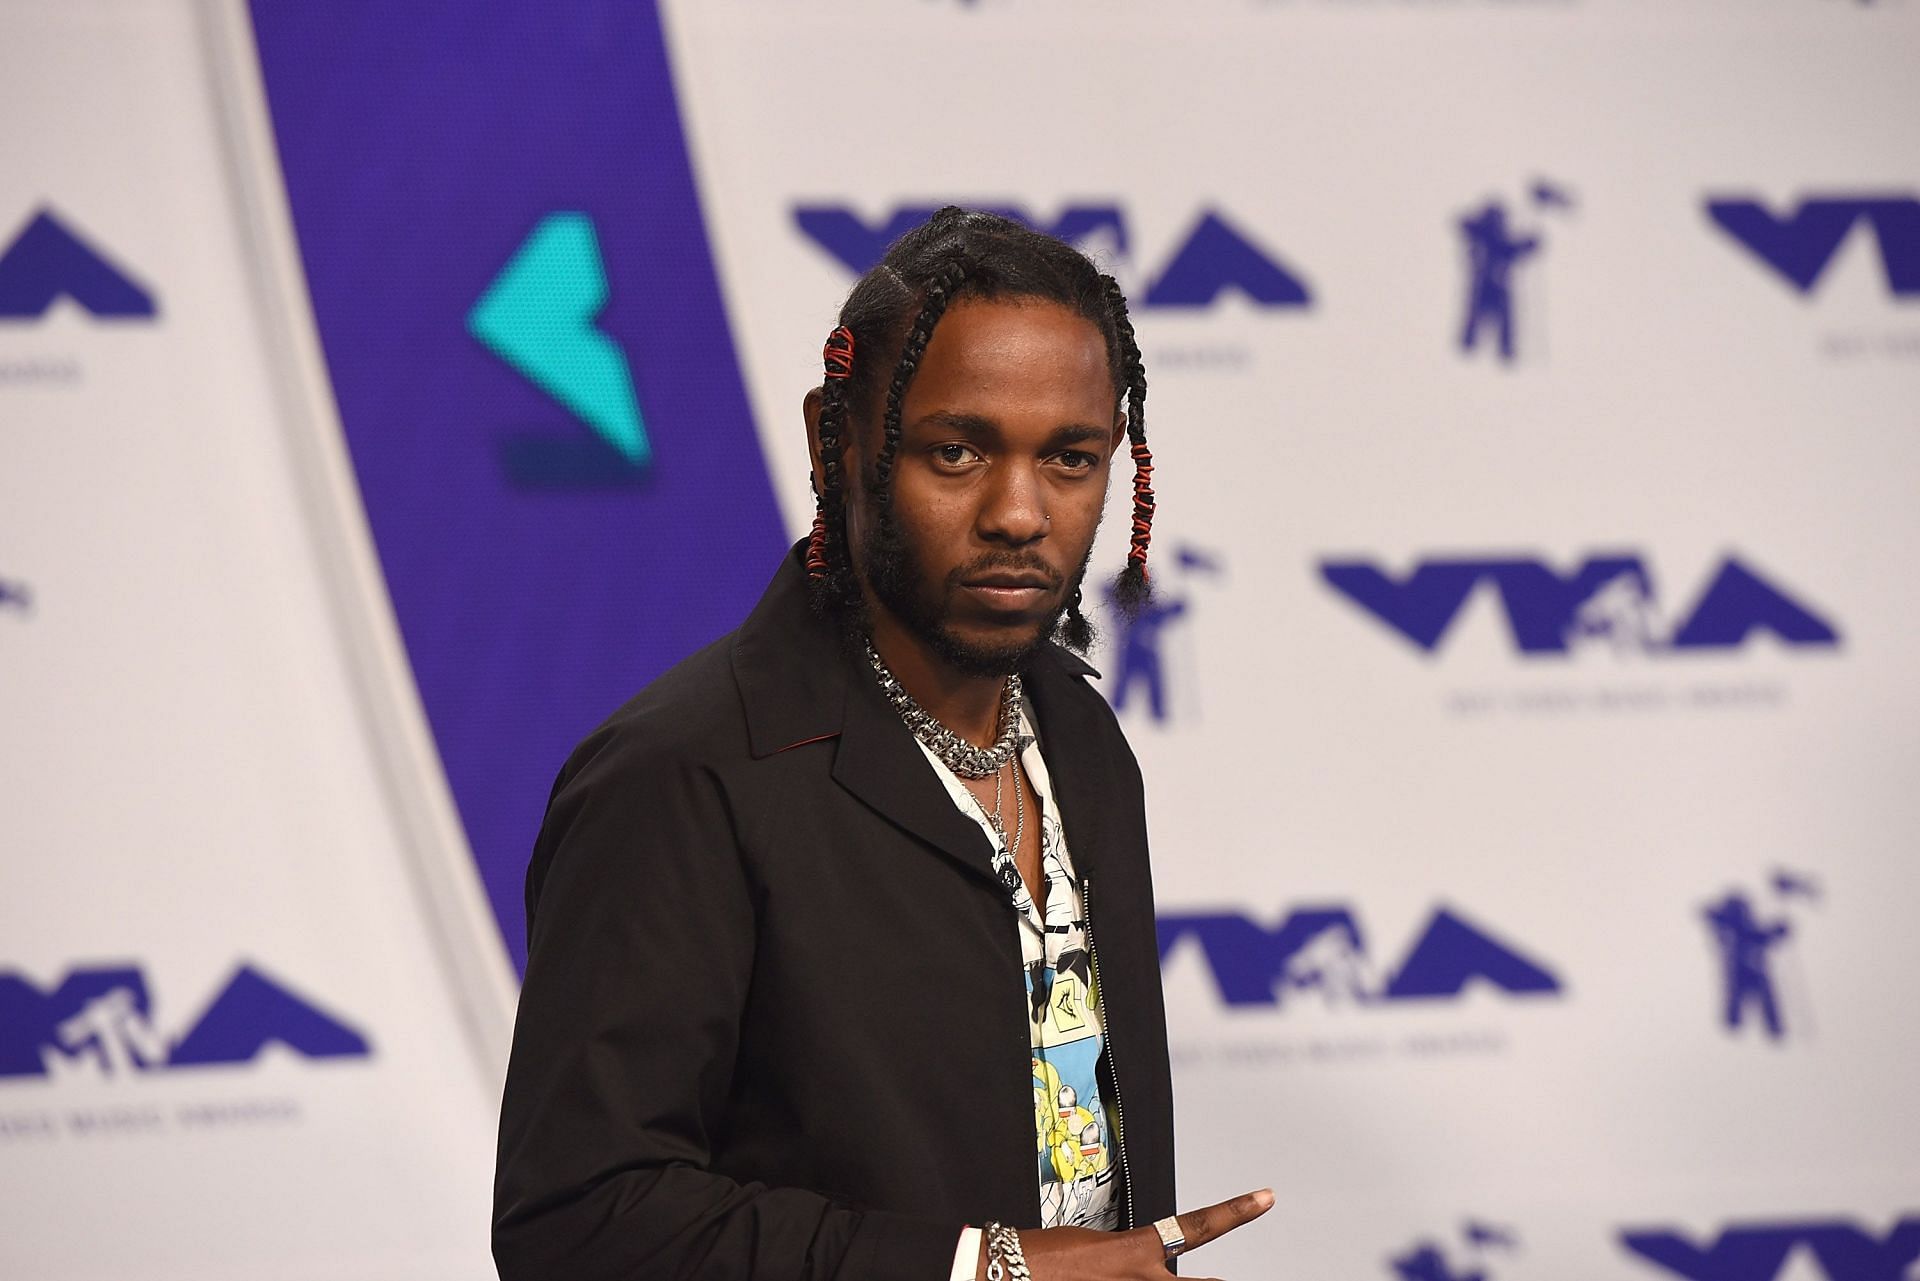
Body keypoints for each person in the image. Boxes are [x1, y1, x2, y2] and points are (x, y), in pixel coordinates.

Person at [492, 208, 1272, 1281]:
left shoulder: (1081, 738)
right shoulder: (683, 776)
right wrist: (981, 1269)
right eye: (957, 449)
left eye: (1070, 459)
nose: (1018, 511)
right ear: (838, 439)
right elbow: (578, 1220)